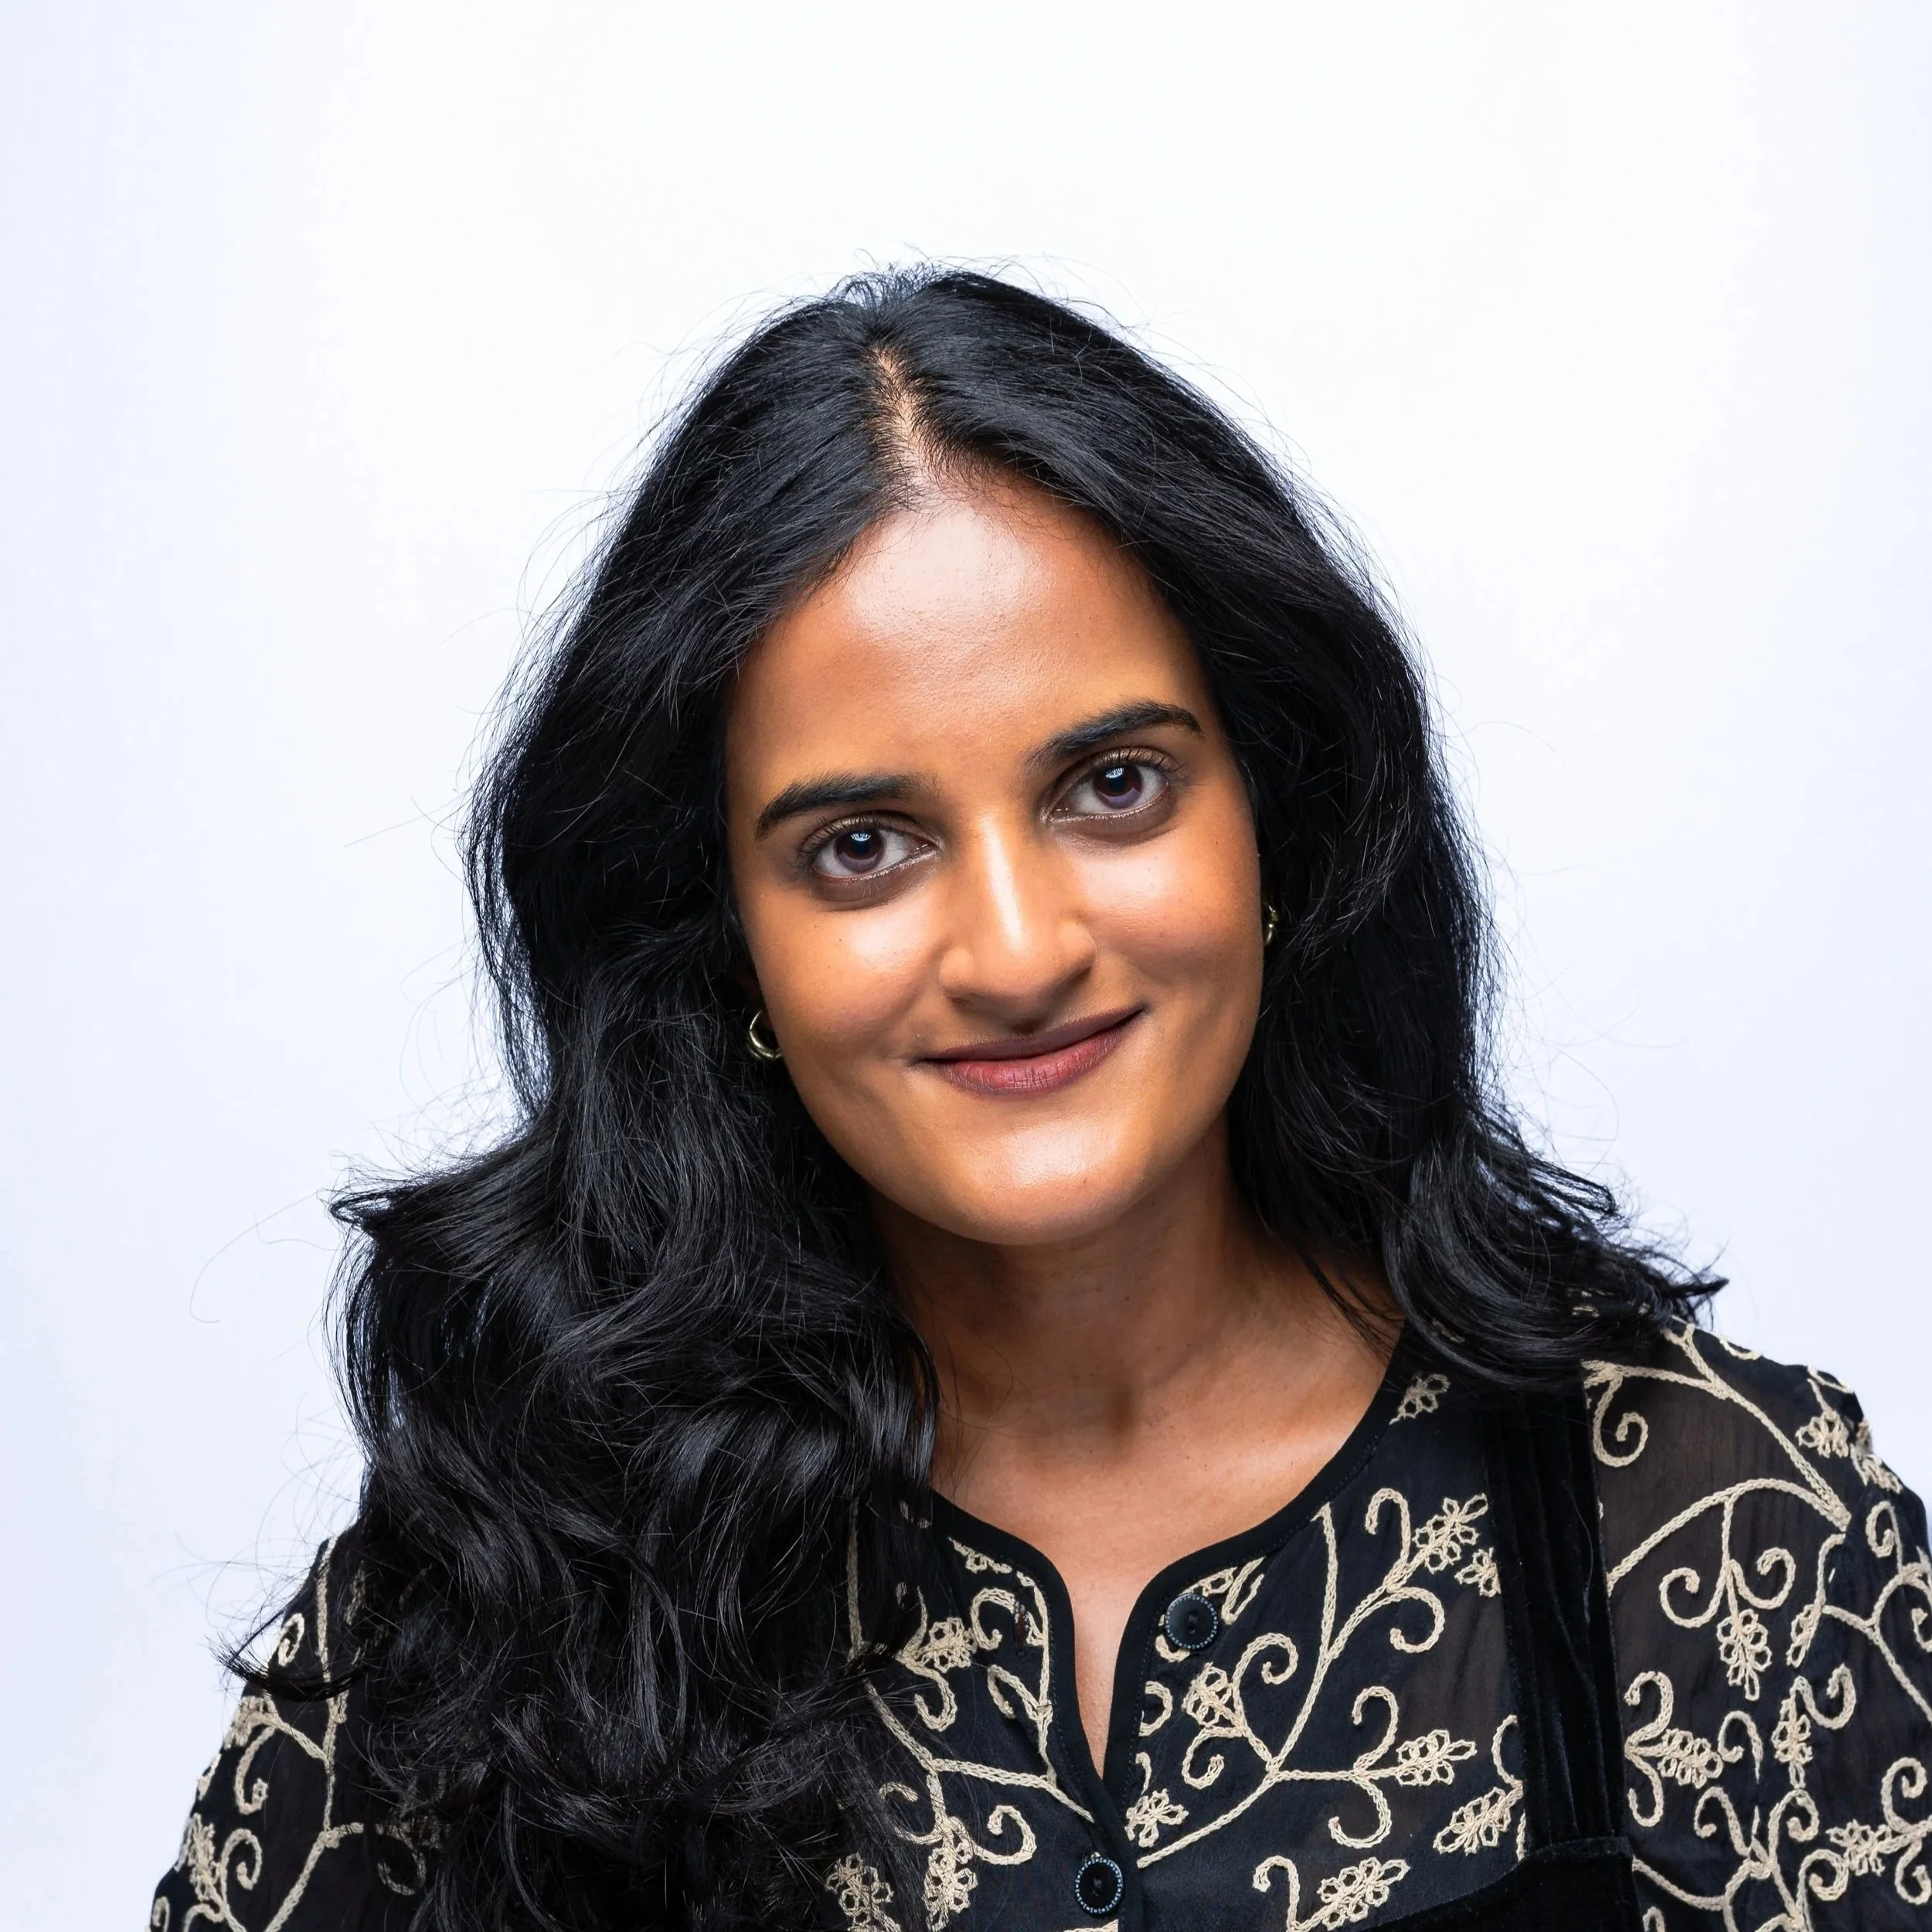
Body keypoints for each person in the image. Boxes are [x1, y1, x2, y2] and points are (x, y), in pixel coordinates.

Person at [151, 270, 1931, 1932]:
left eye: (1112, 785)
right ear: (722, 945)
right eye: (861, 845)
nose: (1012, 947)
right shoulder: (503, 1572)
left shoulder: (1712, 1532)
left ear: (1279, 828)